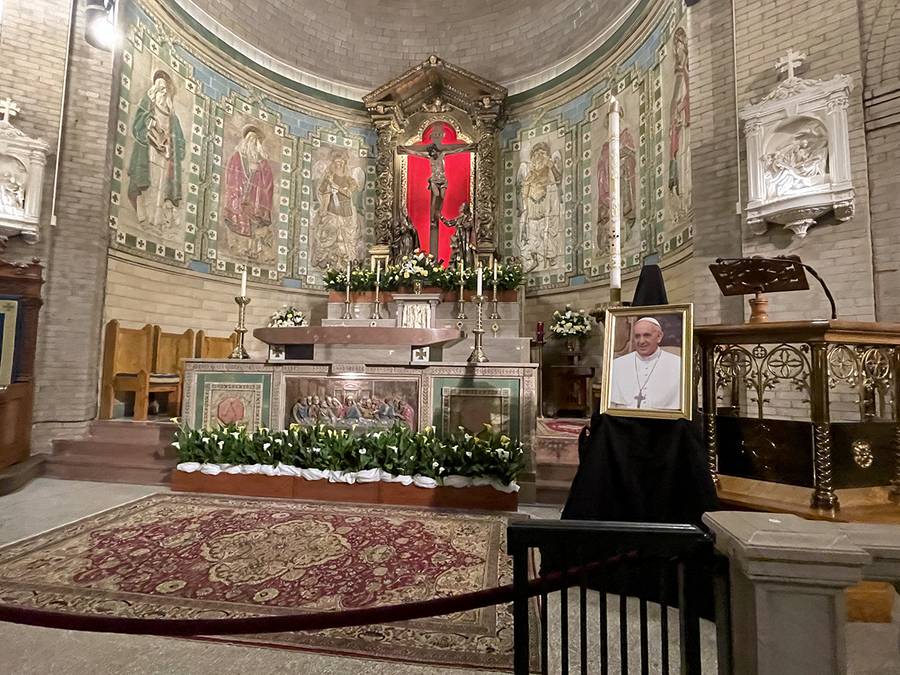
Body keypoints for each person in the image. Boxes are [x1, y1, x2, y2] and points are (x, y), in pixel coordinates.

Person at [397, 123, 476, 254]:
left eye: (433, 152)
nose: (432, 153)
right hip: (434, 180)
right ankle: (434, 216)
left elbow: (456, 150)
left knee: (441, 198)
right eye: (430, 152)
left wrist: (468, 147)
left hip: (443, 181)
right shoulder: (429, 157)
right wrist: (405, 150)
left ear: (435, 151)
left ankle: (437, 213)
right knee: (435, 194)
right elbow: (416, 152)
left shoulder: (442, 153)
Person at [127, 71, 186, 234]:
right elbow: (138, 125)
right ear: (154, 90)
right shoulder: (148, 106)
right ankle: (144, 219)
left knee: (161, 188)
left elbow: (180, 142)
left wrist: (171, 145)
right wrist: (151, 124)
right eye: (159, 89)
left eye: (165, 89)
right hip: (148, 153)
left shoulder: (173, 117)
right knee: (148, 186)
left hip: (165, 158)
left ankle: (157, 221)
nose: (163, 92)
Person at [223, 125, 275, 260]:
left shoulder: (263, 163)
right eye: (250, 138)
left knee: (255, 224)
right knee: (240, 221)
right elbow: (232, 175)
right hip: (240, 197)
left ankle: (255, 250)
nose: (253, 142)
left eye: (255, 139)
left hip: (256, 199)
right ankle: (241, 248)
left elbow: (269, 183)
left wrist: (259, 170)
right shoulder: (237, 157)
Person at [610, 317, 682, 410]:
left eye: (647, 335)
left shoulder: (678, 364)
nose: (641, 341)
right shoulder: (617, 365)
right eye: (637, 336)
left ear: (659, 337)